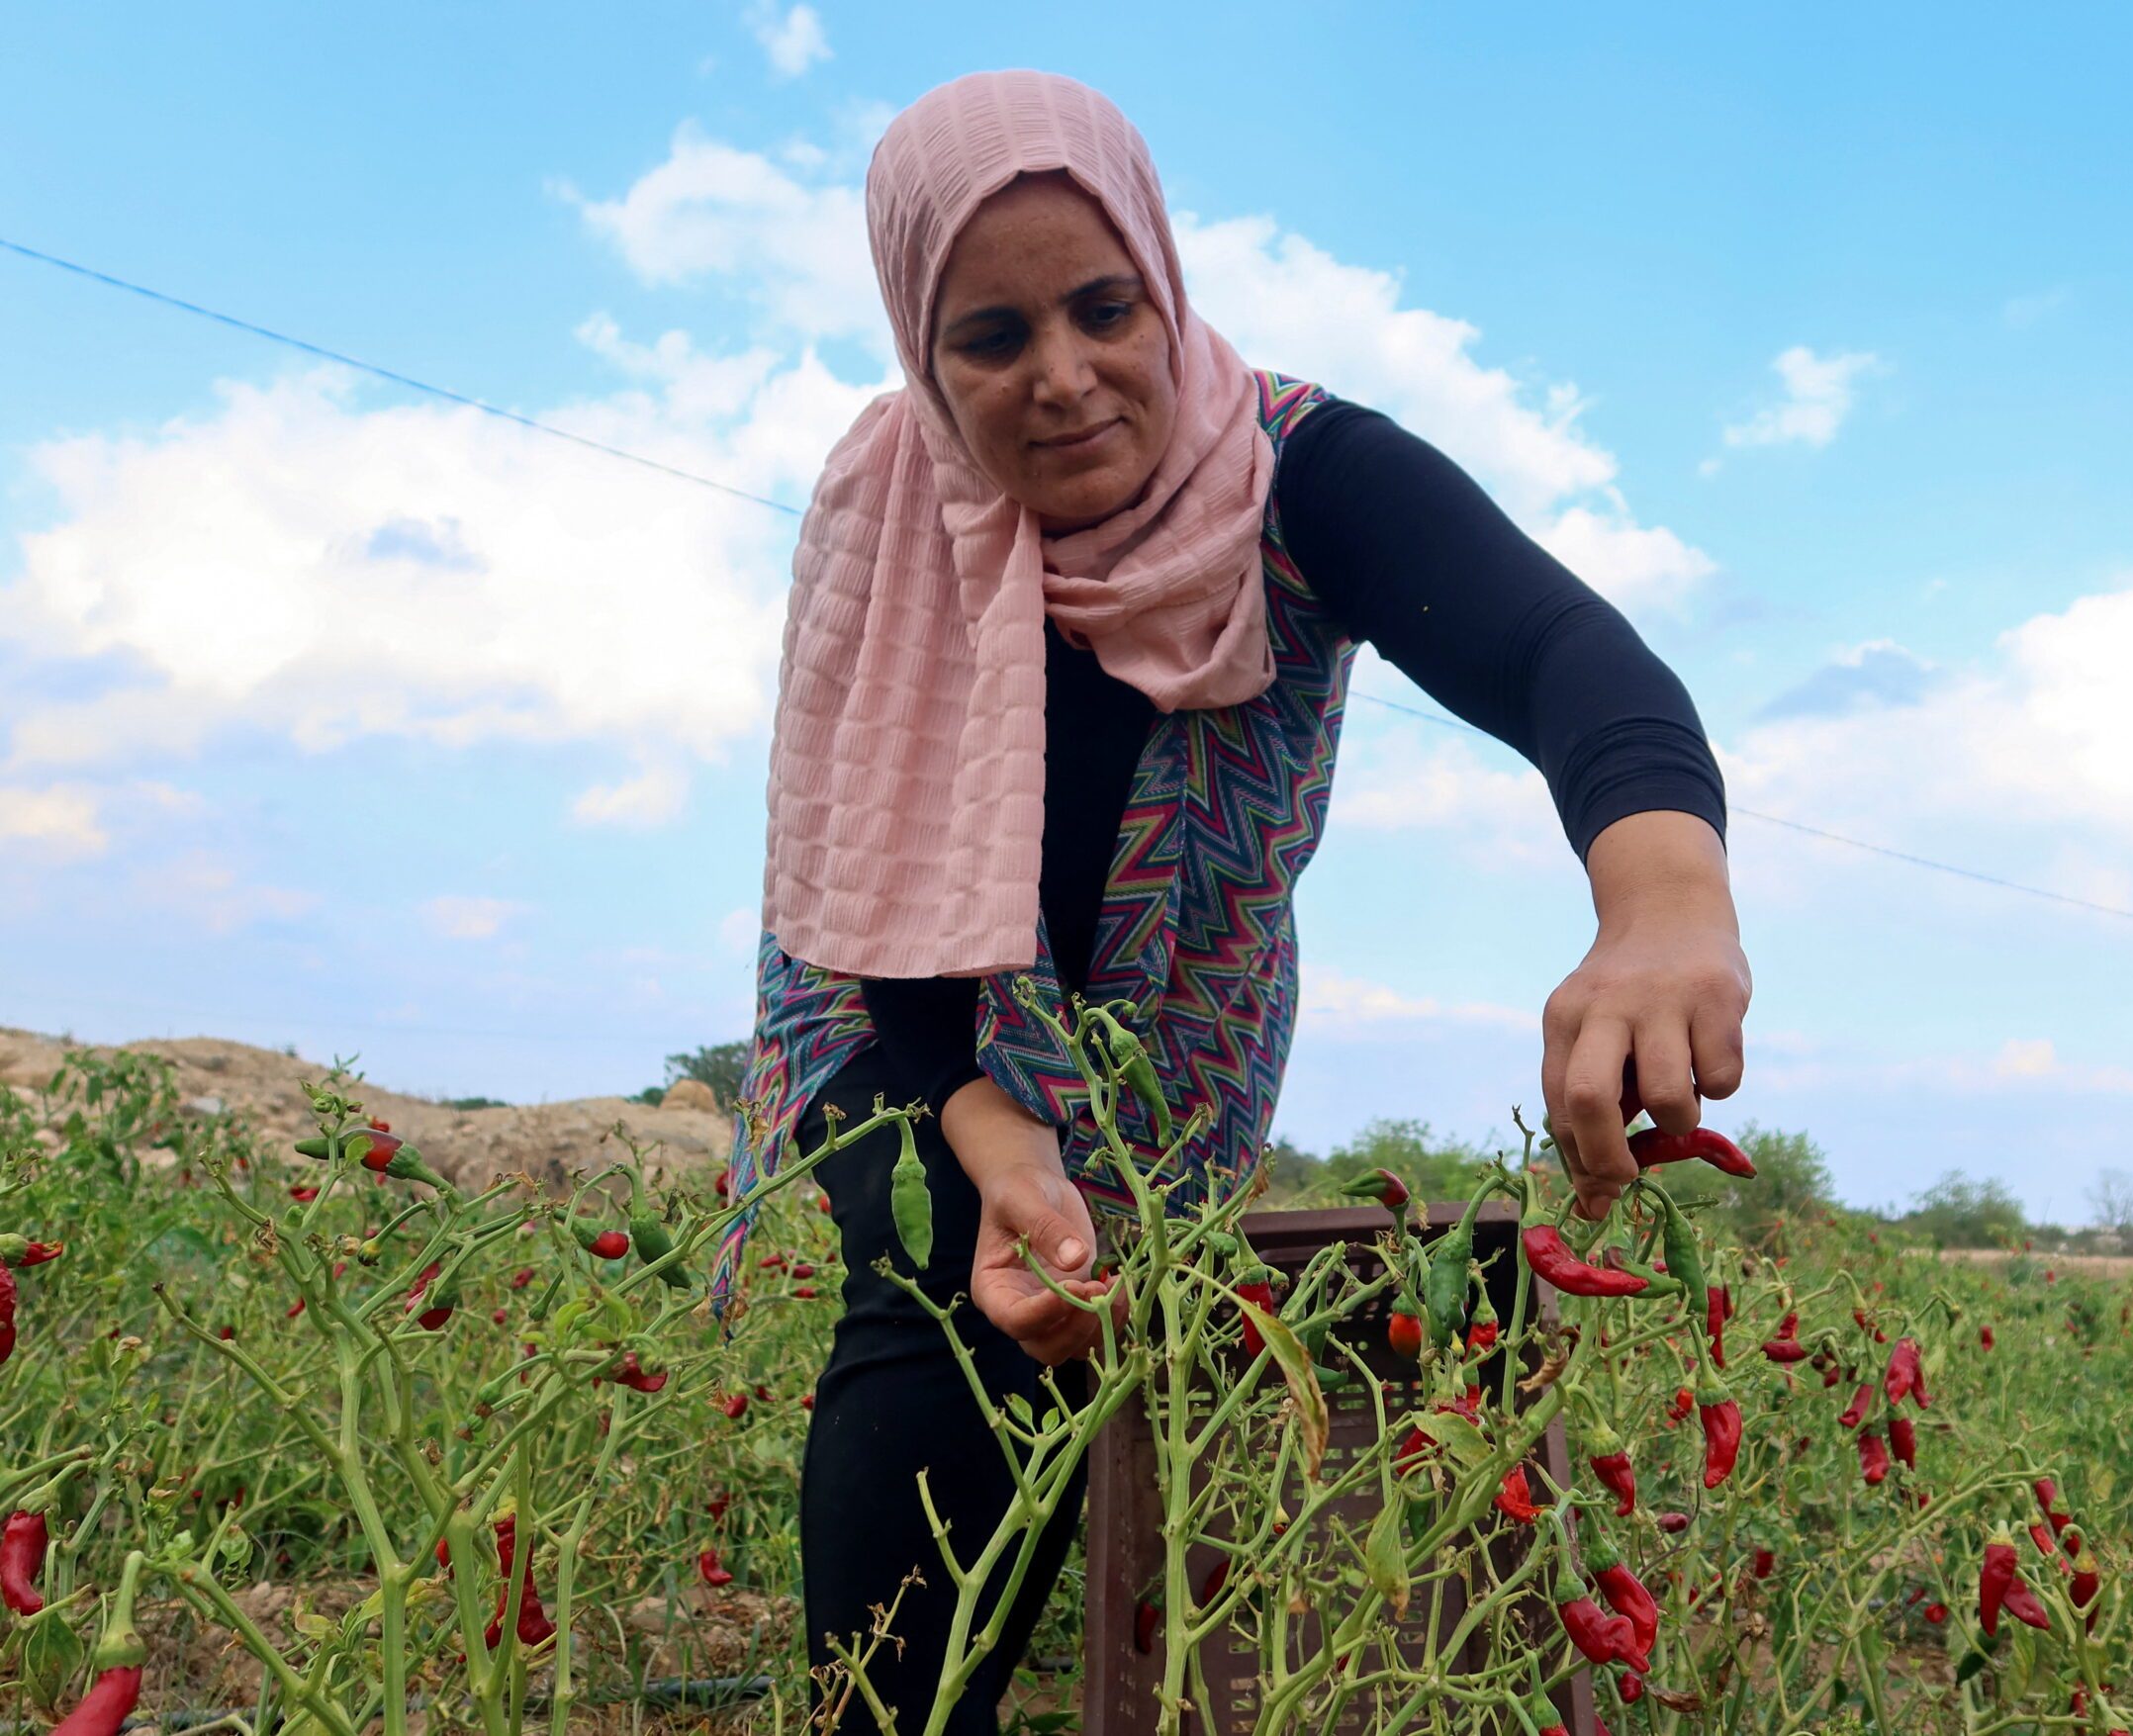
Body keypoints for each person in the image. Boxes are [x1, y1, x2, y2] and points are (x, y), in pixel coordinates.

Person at [706, 67, 1752, 1734]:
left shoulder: (1297, 472)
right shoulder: (885, 511)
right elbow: (865, 890)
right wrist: (987, 1131)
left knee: (1085, 1436)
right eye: (991, 339)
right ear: (924, 347)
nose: (1064, 377)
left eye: (1103, 307)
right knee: (920, 1410)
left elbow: (1564, 654)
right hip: (901, 1043)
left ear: (1162, 281)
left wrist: (1662, 900)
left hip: (1168, 1073)